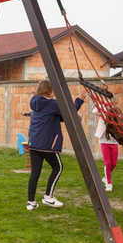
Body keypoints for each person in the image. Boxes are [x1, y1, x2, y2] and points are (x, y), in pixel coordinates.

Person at [26, 80, 87, 210]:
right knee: (57, 167)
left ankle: (31, 202)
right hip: (46, 143)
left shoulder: (36, 102)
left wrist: (73, 117)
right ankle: (48, 197)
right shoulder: (51, 103)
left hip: (34, 143)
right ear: (49, 91)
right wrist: (80, 100)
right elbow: (69, 110)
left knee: (35, 171)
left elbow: (52, 116)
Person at [94, 101, 119, 191]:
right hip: (104, 141)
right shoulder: (103, 113)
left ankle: (105, 177)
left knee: (114, 164)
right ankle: (109, 183)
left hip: (114, 141)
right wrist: (104, 104)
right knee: (107, 163)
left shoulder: (116, 113)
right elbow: (94, 111)